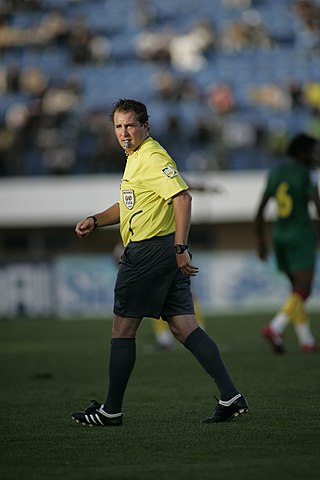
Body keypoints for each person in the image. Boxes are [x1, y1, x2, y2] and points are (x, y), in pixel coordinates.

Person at [71, 98, 248, 426]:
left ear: (145, 127)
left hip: (149, 251)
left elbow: (182, 197)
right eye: (118, 127)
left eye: (130, 126)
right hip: (161, 250)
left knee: (123, 328)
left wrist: (181, 246)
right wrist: (96, 219)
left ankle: (111, 411)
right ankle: (230, 396)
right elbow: (129, 205)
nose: (124, 132)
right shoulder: (135, 158)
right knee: (184, 326)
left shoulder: (151, 156)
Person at [254, 132, 320, 354]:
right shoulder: (306, 173)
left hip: (279, 235)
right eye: (314, 152)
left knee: (295, 290)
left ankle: (306, 340)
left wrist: (260, 242)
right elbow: (316, 205)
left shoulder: (276, 172)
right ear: (301, 153)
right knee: (304, 290)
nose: (316, 156)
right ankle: (275, 327)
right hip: (300, 234)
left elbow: (260, 211)